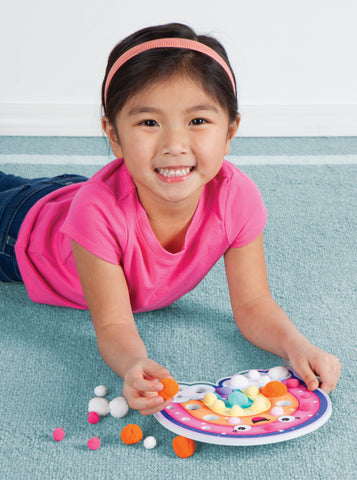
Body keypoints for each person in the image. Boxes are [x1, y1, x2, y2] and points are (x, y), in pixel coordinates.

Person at [0, 23, 340, 415]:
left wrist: (297, 346)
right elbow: (113, 326)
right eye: (149, 123)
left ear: (231, 131)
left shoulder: (237, 199)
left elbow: (254, 304)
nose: (175, 146)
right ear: (114, 135)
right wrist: (130, 362)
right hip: (19, 234)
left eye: (197, 121)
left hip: (67, 196)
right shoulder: (97, 212)